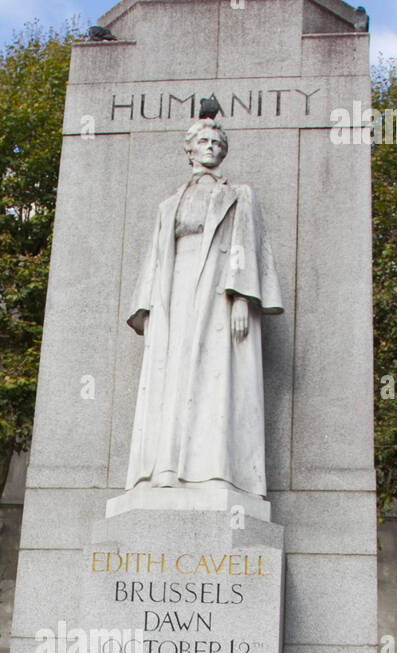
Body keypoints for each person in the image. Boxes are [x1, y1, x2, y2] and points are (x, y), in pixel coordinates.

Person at [125, 116, 283, 498]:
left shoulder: (240, 195)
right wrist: (146, 310)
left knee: (216, 379)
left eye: (216, 141)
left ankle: (215, 470)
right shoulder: (168, 205)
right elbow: (156, 258)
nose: (211, 145)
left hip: (217, 293)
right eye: (204, 140)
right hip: (174, 295)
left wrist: (244, 298)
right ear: (190, 149)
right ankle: (165, 469)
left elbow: (249, 246)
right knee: (172, 381)